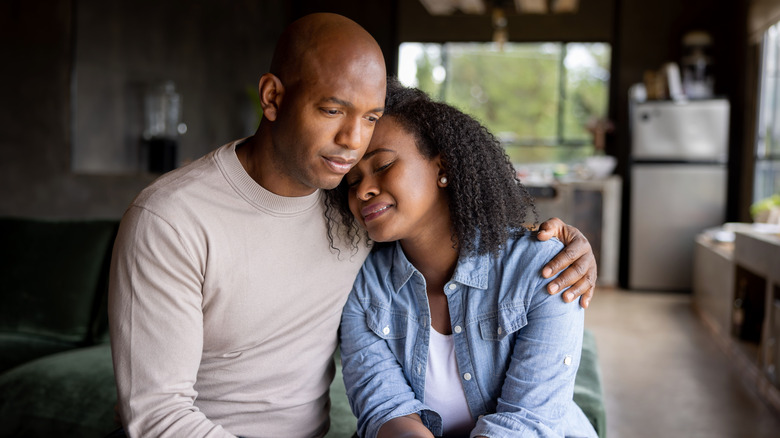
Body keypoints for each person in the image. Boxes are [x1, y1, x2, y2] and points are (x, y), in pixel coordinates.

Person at [108, 13, 597, 438]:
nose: (352, 142)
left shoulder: (348, 213)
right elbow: (157, 414)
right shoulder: (172, 219)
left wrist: (569, 247)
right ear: (272, 97)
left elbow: (456, 236)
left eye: (370, 118)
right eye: (332, 110)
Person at [327, 80, 598, 438]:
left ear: (444, 168)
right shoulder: (365, 284)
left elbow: (526, 422)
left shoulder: (543, 269)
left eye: (383, 165)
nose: (363, 190)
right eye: (352, 180)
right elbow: (385, 410)